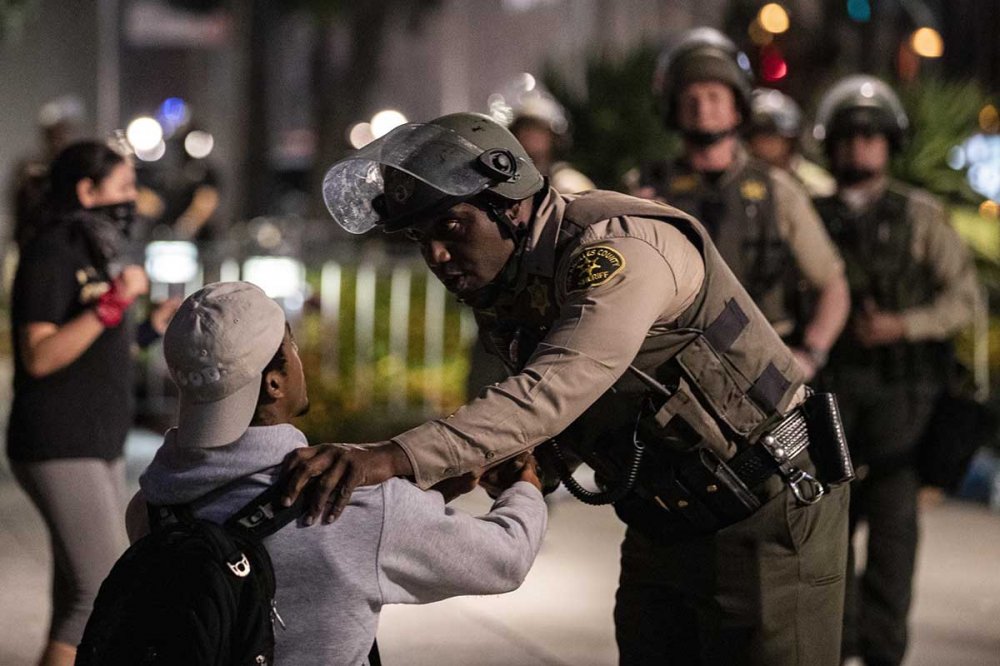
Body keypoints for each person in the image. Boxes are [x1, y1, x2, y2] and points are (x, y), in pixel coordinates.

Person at [285, 111, 852, 664]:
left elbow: (552, 389)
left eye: (451, 227)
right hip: (663, 520)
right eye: (419, 237)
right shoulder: (508, 281)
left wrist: (390, 457)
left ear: (508, 203)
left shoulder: (617, 249)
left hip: (767, 513)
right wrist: (413, 494)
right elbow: (548, 424)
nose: (435, 255)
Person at [125, 281, 547, 665]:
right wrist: (522, 485)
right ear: (275, 382)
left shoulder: (152, 508)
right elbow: (506, 559)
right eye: (291, 345)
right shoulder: (359, 508)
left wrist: (429, 493)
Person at [811, 75, 980, 666]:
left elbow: (964, 300)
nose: (860, 146)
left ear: (890, 144)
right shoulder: (808, 216)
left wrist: (903, 325)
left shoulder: (920, 218)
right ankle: (842, 643)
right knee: (824, 555)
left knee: (893, 556)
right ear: (831, 144)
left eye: (872, 136)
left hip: (900, 417)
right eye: (850, 136)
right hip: (827, 412)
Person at [6, 140, 179, 666]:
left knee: (76, 596)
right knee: (102, 586)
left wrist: (148, 329)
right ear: (87, 190)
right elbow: (38, 355)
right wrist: (114, 302)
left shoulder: (94, 248)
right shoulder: (52, 249)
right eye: (124, 187)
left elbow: (100, 352)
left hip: (96, 440)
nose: (134, 199)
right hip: (60, 441)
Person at [635, 28, 850, 381]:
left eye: (714, 96)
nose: (703, 108)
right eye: (691, 98)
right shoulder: (645, 187)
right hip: (672, 368)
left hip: (762, 363)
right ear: (674, 108)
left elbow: (832, 284)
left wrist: (810, 354)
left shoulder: (776, 190)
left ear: (738, 108)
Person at [746, 87, 837, 198]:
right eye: (757, 133)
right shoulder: (742, 180)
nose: (763, 142)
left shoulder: (817, 186)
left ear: (789, 139)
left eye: (771, 134)